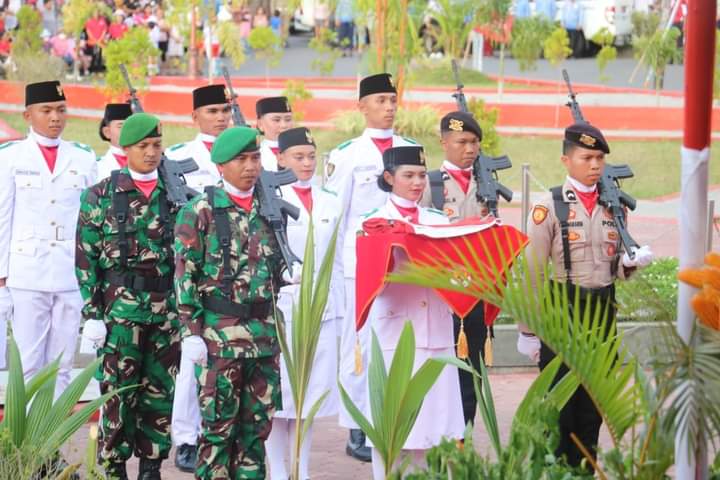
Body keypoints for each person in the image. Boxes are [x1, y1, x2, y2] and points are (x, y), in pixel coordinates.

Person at [518, 123, 655, 471]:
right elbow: (533, 273)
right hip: (563, 313)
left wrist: (629, 264)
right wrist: (528, 331)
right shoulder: (548, 207)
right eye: (587, 157)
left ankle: (586, 469)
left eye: (600, 158)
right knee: (561, 407)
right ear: (567, 160)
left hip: (602, 314)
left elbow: (614, 268)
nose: (595, 165)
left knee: (593, 407)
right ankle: (560, 473)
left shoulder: (614, 207)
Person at [174, 126, 300, 479]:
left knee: (255, 435)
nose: (250, 166)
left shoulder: (270, 210)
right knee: (217, 434)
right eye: (240, 160)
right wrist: (191, 332)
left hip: (263, 338)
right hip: (219, 341)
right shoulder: (200, 211)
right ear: (220, 166)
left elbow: (275, 263)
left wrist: (287, 278)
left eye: (255, 158)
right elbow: (185, 277)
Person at [77, 112, 180, 480]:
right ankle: (114, 466)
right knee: (119, 393)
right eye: (143, 146)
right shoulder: (100, 196)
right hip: (120, 312)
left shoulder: (177, 195)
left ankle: (151, 467)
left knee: (160, 392)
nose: (151, 153)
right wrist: (91, 313)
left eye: (157, 145)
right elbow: (86, 259)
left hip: (166, 312)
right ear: (125, 148)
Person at [325, 72, 418, 463]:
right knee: (359, 345)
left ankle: (394, 414)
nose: (389, 106)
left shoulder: (411, 149)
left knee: (398, 339)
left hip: (404, 264)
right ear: (362, 106)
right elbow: (335, 216)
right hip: (360, 264)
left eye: (392, 99)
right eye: (380, 100)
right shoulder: (348, 155)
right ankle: (358, 425)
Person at [361, 145, 464, 479]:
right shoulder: (374, 222)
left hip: (437, 334)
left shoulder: (438, 221)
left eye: (422, 175)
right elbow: (370, 278)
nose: (418, 182)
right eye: (408, 176)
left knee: (435, 427)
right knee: (394, 427)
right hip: (398, 336)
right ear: (389, 178)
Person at [0, 80, 97, 397]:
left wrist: (92, 274)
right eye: (47, 110)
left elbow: (91, 222)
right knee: (28, 363)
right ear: (28, 115)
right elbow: (3, 218)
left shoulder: (83, 158)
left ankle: (53, 441)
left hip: (70, 273)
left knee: (62, 363)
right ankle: (26, 440)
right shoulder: (10, 157)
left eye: (61, 110)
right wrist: (2, 278)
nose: (56, 117)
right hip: (27, 273)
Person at [265, 127, 343, 480]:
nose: (307, 163)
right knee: (278, 398)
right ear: (280, 158)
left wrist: (341, 309)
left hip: (320, 312)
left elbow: (338, 260)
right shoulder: (268, 199)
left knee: (306, 400)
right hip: (281, 310)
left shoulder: (330, 199)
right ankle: (278, 471)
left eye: (311, 155)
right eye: (298, 156)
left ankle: (302, 469)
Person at [165, 83, 232, 473]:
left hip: (234, 270)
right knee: (193, 355)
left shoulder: (244, 153)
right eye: (212, 111)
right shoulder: (178, 158)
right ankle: (186, 438)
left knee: (227, 361)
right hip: (194, 268)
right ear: (194, 117)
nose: (221, 117)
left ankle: (217, 431)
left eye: (225, 110)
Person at [419, 111, 490, 427]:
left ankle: (465, 434)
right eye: (462, 141)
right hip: (439, 294)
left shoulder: (486, 185)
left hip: (475, 291)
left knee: (470, 370)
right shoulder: (430, 185)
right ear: (444, 142)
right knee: (437, 371)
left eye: (475, 142)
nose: (470, 148)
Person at [255, 96, 293, 172]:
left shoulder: (301, 149)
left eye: (288, 120)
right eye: (276, 120)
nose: (284, 125)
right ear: (260, 124)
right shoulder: (256, 154)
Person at [97, 103, 133, 179]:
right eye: (120, 126)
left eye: (130, 126)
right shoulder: (97, 167)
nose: (127, 131)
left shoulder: (150, 163)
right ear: (107, 132)